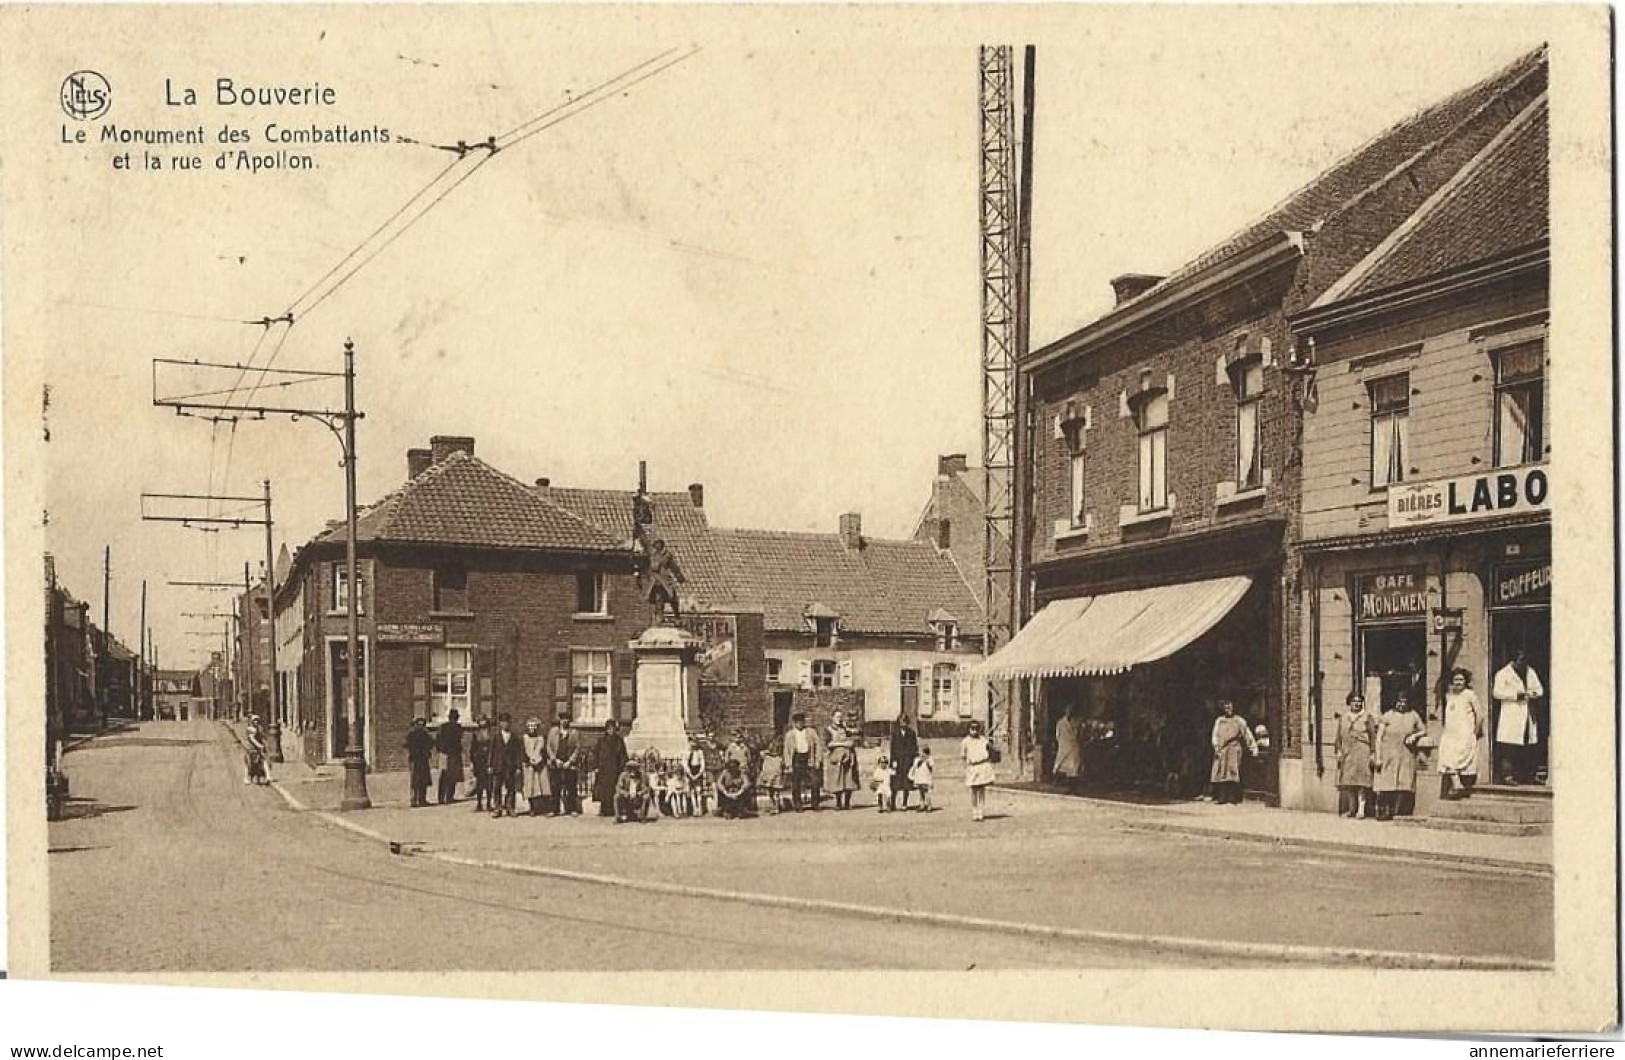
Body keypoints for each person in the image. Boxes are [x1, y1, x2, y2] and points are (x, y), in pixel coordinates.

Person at [1493, 648, 1545, 785]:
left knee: (1529, 747)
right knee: (1509, 747)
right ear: (1513, 660)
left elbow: (1539, 689)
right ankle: (1507, 776)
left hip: (1527, 713)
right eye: (1520, 660)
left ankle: (1528, 776)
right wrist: (1515, 695)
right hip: (1511, 714)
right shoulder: (1503, 674)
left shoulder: (1530, 671)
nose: (1523, 663)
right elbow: (1497, 692)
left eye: (1524, 660)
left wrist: (1534, 694)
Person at [1373, 693, 1425, 820]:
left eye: (1404, 702)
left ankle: (1399, 812)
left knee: (1403, 784)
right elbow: (1379, 738)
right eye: (1399, 702)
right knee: (1386, 784)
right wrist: (1378, 757)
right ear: (1394, 702)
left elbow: (1423, 730)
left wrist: (1414, 736)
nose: (1402, 704)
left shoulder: (1413, 715)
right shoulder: (1387, 716)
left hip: (1405, 754)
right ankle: (1384, 812)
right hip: (1388, 754)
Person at [1437, 668, 1484, 799]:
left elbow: (1480, 715)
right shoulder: (1449, 695)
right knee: (1445, 757)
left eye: (1461, 680)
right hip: (1450, 733)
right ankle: (1456, 783)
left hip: (1465, 733)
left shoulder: (1470, 695)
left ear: (1465, 681)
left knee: (1457, 758)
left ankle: (1458, 784)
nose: (1458, 682)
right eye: (1456, 680)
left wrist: (1475, 731)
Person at [1333, 692, 1377, 819]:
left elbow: (1373, 736)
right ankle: (1352, 809)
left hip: (1363, 751)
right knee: (1349, 782)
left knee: (1362, 782)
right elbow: (1338, 736)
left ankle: (1361, 810)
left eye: (1359, 701)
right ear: (1349, 703)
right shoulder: (1344, 717)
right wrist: (1338, 751)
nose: (1357, 704)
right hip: (1348, 752)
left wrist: (1373, 753)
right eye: (1354, 701)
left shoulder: (1367, 717)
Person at [1209, 700, 1257, 805]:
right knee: (1221, 771)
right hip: (1222, 749)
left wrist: (1253, 747)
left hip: (1234, 748)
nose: (1228, 710)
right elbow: (1215, 734)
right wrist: (1216, 746)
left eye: (1230, 707)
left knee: (1233, 771)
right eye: (1226, 708)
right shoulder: (1219, 720)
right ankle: (1223, 796)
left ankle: (1234, 797)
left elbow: (1247, 734)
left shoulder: (1239, 720)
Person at [782, 713, 824, 812]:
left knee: (815, 781)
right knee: (796, 783)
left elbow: (818, 746)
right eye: (798, 722)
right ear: (794, 723)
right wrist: (788, 764)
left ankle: (815, 803)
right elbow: (786, 750)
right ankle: (798, 804)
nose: (800, 724)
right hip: (796, 759)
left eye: (802, 722)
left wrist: (818, 760)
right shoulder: (790, 734)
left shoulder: (811, 732)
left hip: (809, 758)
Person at [823, 710, 861, 810]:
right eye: (837, 717)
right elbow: (828, 744)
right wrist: (842, 744)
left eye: (840, 717)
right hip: (836, 758)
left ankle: (847, 802)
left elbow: (854, 737)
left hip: (848, 756)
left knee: (849, 780)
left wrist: (851, 743)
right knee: (837, 780)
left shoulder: (845, 728)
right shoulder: (828, 729)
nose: (839, 719)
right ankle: (838, 802)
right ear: (832, 717)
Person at [547, 712, 582, 816]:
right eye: (563, 719)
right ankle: (554, 809)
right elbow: (548, 747)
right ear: (560, 721)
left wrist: (570, 761)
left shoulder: (574, 733)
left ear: (569, 721)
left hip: (569, 764)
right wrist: (554, 759)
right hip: (556, 763)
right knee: (555, 787)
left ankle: (572, 809)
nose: (565, 721)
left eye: (567, 719)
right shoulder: (553, 732)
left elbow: (577, 748)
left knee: (571, 787)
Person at [488, 714, 523, 818]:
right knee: (497, 787)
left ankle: (510, 807)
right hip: (498, 766)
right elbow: (491, 751)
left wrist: (518, 767)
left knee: (511, 787)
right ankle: (497, 808)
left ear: (510, 723)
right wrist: (490, 765)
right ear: (500, 724)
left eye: (507, 722)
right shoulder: (496, 736)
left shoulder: (514, 737)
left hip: (510, 766)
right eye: (503, 722)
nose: (505, 724)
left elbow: (518, 753)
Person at [960, 720, 996, 822]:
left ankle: (980, 812)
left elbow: (991, 750)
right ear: (969, 729)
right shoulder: (965, 741)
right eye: (972, 729)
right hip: (972, 767)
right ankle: (974, 811)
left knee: (981, 790)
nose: (974, 731)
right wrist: (966, 768)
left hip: (982, 766)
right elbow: (963, 756)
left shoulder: (983, 740)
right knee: (973, 791)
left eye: (976, 729)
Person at [593, 718, 629, 816]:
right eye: (609, 728)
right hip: (604, 769)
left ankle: (614, 809)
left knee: (613, 789)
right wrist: (596, 766)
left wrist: (622, 768)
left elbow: (623, 755)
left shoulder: (619, 741)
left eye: (612, 728)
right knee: (604, 790)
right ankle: (604, 810)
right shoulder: (601, 740)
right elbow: (595, 753)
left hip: (615, 769)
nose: (610, 730)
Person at [889, 713, 919, 811]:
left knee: (907, 782)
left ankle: (904, 803)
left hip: (907, 761)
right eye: (901, 722)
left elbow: (915, 748)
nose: (903, 724)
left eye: (905, 722)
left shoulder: (911, 733)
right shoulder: (895, 733)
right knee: (895, 783)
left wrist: (915, 760)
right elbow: (892, 748)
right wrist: (893, 761)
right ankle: (892, 803)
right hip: (897, 761)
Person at [435, 709, 465, 805]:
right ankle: (449, 797)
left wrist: (440, 750)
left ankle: (441, 798)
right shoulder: (458, 727)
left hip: (444, 754)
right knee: (453, 775)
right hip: (454, 754)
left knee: (444, 775)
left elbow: (437, 740)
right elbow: (459, 740)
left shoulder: (442, 727)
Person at [522, 717, 550, 817]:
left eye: (534, 726)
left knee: (542, 785)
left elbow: (543, 751)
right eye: (530, 726)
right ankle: (532, 807)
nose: (532, 728)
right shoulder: (524, 738)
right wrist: (528, 760)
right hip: (529, 765)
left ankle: (544, 808)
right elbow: (523, 751)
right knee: (530, 786)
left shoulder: (541, 738)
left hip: (539, 764)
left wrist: (539, 760)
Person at [404, 717, 434, 808]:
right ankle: (418, 799)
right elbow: (431, 743)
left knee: (419, 779)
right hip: (418, 759)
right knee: (418, 779)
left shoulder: (418, 734)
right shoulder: (419, 734)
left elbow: (406, 744)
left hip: (419, 759)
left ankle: (418, 799)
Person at [1053, 704, 1084, 788]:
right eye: (1068, 710)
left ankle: (1073, 786)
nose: (1069, 712)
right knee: (1061, 764)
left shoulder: (1077, 722)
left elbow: (1079, 734)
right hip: (1064, 745)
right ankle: (1057, 781)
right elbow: (1057, 735)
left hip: (1074, 746)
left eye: (1071, 710)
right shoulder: (1060, 723)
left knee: (1074, 766)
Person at [467, 716, 493, 812]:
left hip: (488, 760)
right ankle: (479, 803)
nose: (482, 724)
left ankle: (489, 803)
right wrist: (472, 762)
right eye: (480, 722)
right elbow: (472, 749)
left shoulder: (491, 734)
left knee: (489, 784)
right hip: (479, 761)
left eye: (484, 722)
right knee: (479, 784)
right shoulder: (476, 734)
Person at [614, 759, 650, 824]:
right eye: (630, 768)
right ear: (627, 769)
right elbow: (618, 787)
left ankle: (642, 817)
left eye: (634, 768)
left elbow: (645, 788)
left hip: (637, 798)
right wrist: (625, 793)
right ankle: (618, 818)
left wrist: (640, 792)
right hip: (626, 798)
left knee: (646, 797)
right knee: (616, 796)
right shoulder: (623, 775)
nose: (632, 770)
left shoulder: (641, 776)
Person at [683, 737, 710, 817]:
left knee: (698, 791)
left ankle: (699, 808)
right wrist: (690, 774)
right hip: (690, 771)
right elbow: (685, 764)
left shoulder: (700, 752)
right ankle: (694, 808)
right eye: (691, 742)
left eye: (694, 742)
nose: (693, 744)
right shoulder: (687, 752)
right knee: (691, 792)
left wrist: (699, 774)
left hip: (697, 770)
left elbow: (702, 764)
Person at [757, 745, 786, 814]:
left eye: (776, 750)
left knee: (776, 793)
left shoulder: (780, 758)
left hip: (776, 777)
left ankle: (777, 807)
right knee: (770, 793)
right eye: (773, 750)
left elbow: (783, 767)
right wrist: (768, 752)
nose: (774, 752)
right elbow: (761, 753)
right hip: (768, 777)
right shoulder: (766, 757)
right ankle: (772, 806)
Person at [908, 745, 934, 812]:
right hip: (919, 778)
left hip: (926, 778)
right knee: (921, 792)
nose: (921, 754)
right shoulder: (917, 759)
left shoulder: (929, 759)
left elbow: (931, 768)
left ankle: (929, 805)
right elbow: (914, 767)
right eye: (920, 753)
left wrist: (926, 760)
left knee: (926, 792)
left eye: (922, 752)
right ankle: (922, 805)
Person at [244, 717, 268, 785]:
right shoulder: (250, 729)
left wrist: (263, 742)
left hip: (257, 750)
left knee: (259, 763)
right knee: (249, 764)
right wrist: (259, 745)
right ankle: (246, 778)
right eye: (254, 721)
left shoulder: (258, 728)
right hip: (251, 749)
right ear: (252, 721)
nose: (256, 722)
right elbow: (252, 739)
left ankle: (261, 778)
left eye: (257, 721)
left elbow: (261, 736)